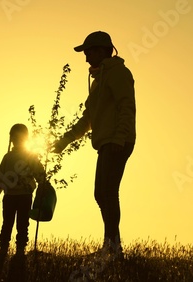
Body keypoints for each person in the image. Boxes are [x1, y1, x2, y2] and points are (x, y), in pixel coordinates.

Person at [52, 31, 136, 256]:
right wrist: (65, 141)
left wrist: (119, 137)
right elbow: (87, 118)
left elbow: (126, 107)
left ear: (102, 51)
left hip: (117, 140)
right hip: (107, 141)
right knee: (102, 194)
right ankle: (111, 244)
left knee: (107, 192)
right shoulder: (99, 81)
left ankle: (112, 246)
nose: (86, 58)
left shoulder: (119, 73)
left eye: (88, 52)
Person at [0, 124, 46, 256]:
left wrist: (43, 182)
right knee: (8, 223)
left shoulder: (29, 157)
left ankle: (19, 248)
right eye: (14, 137)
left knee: (22, 224)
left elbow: (38, 171)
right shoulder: (8, 157)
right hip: (12, 196)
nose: (16, 140)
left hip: (24, 196)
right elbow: (1, 175)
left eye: (18, 138)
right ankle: (4, 247)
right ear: (12, 139)